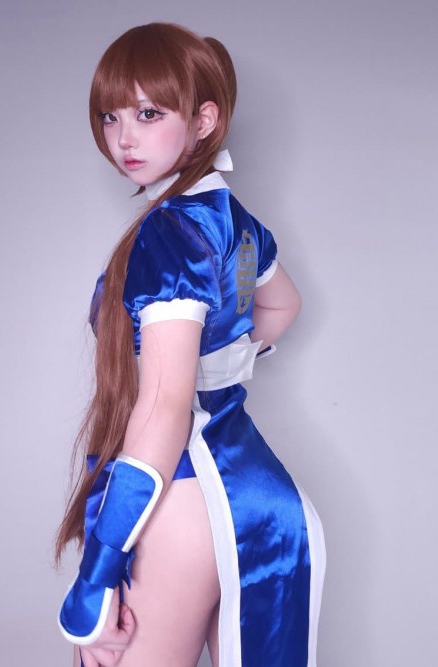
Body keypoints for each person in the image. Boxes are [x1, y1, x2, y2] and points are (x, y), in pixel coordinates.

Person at [56, 22, 326, 667]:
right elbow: (281, 304)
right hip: (257, 493)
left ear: (204, 120)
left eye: (149, 114)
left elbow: (163, 409)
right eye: (111, 115)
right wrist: (221, 362)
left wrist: (99, 569)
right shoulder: (236, 222)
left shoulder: (169, 233)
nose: (124, 137)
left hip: (181, 498)